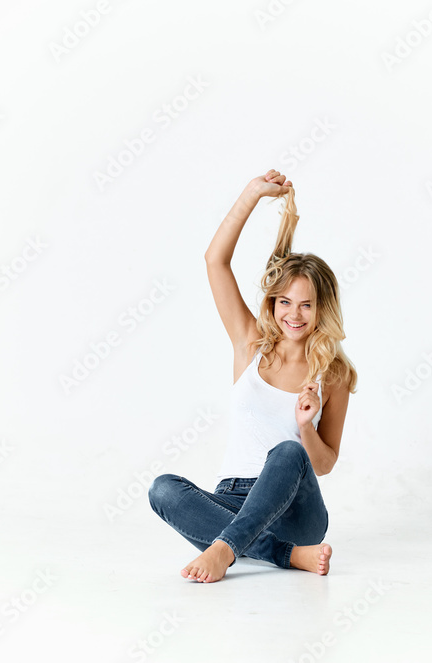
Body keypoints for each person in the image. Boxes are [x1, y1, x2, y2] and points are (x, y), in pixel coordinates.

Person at [148, 168, 358, 583]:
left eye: (306, 305)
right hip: (232, 501)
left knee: (289, 451)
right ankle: (283, 555)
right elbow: (215, 261)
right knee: (163, 489)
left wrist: (306, 427)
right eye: (284, 302)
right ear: (273, 302)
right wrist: (251, 194)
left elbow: (324, 464)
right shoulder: (250, 344)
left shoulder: (333, 375)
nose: (293, 314)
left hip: (297, 511)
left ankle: (225, 548)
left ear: (322, 309)